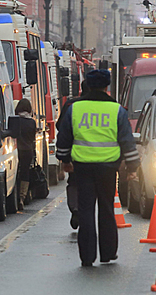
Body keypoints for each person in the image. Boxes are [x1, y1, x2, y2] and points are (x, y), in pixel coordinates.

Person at [56, 69, 140, 267]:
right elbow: (127, 141)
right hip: (108, 168)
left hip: (82, 168)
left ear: (88, 85)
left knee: (85, 211)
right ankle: (108, 253)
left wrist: (65, 160)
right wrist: (133, 166)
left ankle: (87, 256)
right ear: (106, 86)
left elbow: (64, 137)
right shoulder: (117, 110)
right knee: (107, 209)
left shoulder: (75, 109)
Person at [56, 80, 90, 230]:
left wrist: (64, 157)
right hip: (102, 157)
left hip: (76, 154)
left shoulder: (71, 105)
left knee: (74, 184)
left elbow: (60, 126)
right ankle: (88, 214)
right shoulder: (106, 106)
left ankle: (75, 209)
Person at [15, 99, 37, 210]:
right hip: (27, 151)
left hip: (16, 150)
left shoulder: (15, 121)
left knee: (15, 173)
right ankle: (22, 197)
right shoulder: (32, 122)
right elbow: (33, 139)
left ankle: (14, 196)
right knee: (25, 173)